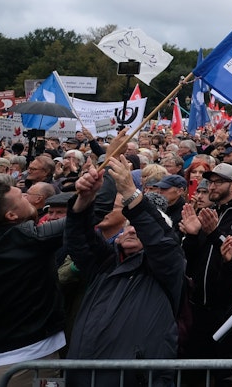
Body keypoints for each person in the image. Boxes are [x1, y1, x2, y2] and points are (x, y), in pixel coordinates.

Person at [63, 154, 186, 386]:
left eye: (138, 229)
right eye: (128, 228)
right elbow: (79, 240)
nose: (131, 231)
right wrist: (84, 201)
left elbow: (160, 241)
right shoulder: (105, 265)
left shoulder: (166, 268)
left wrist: (131, 193)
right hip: (83, 375)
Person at [0, 181, 65, 386]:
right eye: (20, 196)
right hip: (28, 362)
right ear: (11, 216)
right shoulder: (30, 239)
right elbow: (84, 217)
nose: (26, 196)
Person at [179, 163, 232, 369]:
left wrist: (215, 233)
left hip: (227, 307)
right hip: (198, 305)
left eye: (218, 182)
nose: (212, 187)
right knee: (195, 367)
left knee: (223, 369)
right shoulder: (208, 212)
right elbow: (191, 258)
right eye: (210, 182)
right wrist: (191, 235)